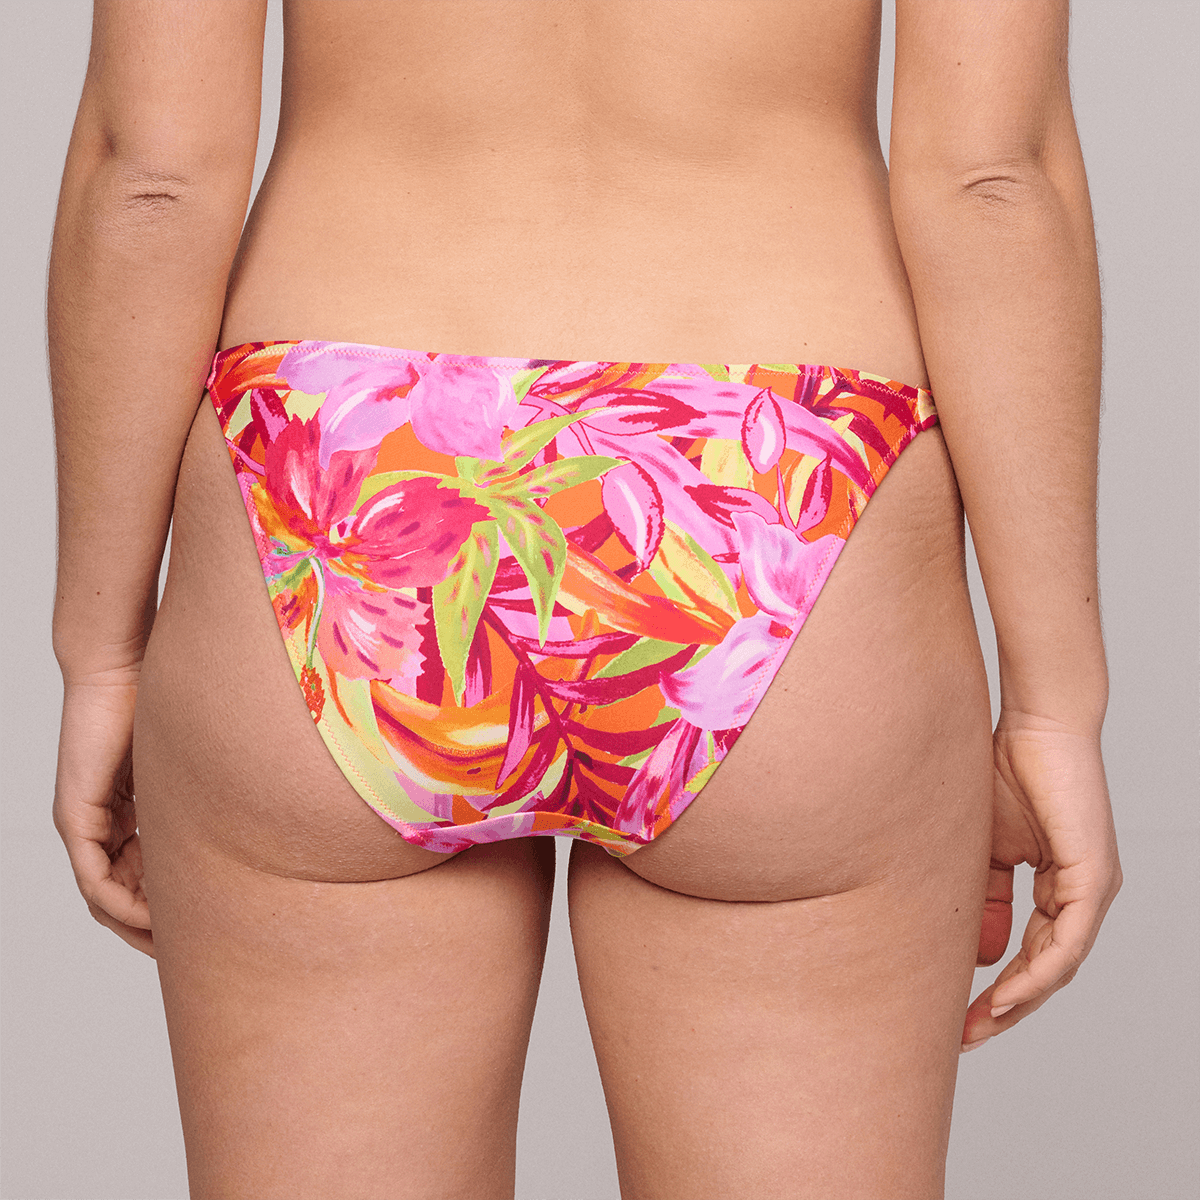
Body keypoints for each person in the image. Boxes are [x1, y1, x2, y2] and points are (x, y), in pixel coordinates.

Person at [48, 1, 1122, 1196]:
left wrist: (100, 651)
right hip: (768, 472)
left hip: (352, 471)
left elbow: (151, 177)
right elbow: (992, 179)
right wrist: (1053, 704)